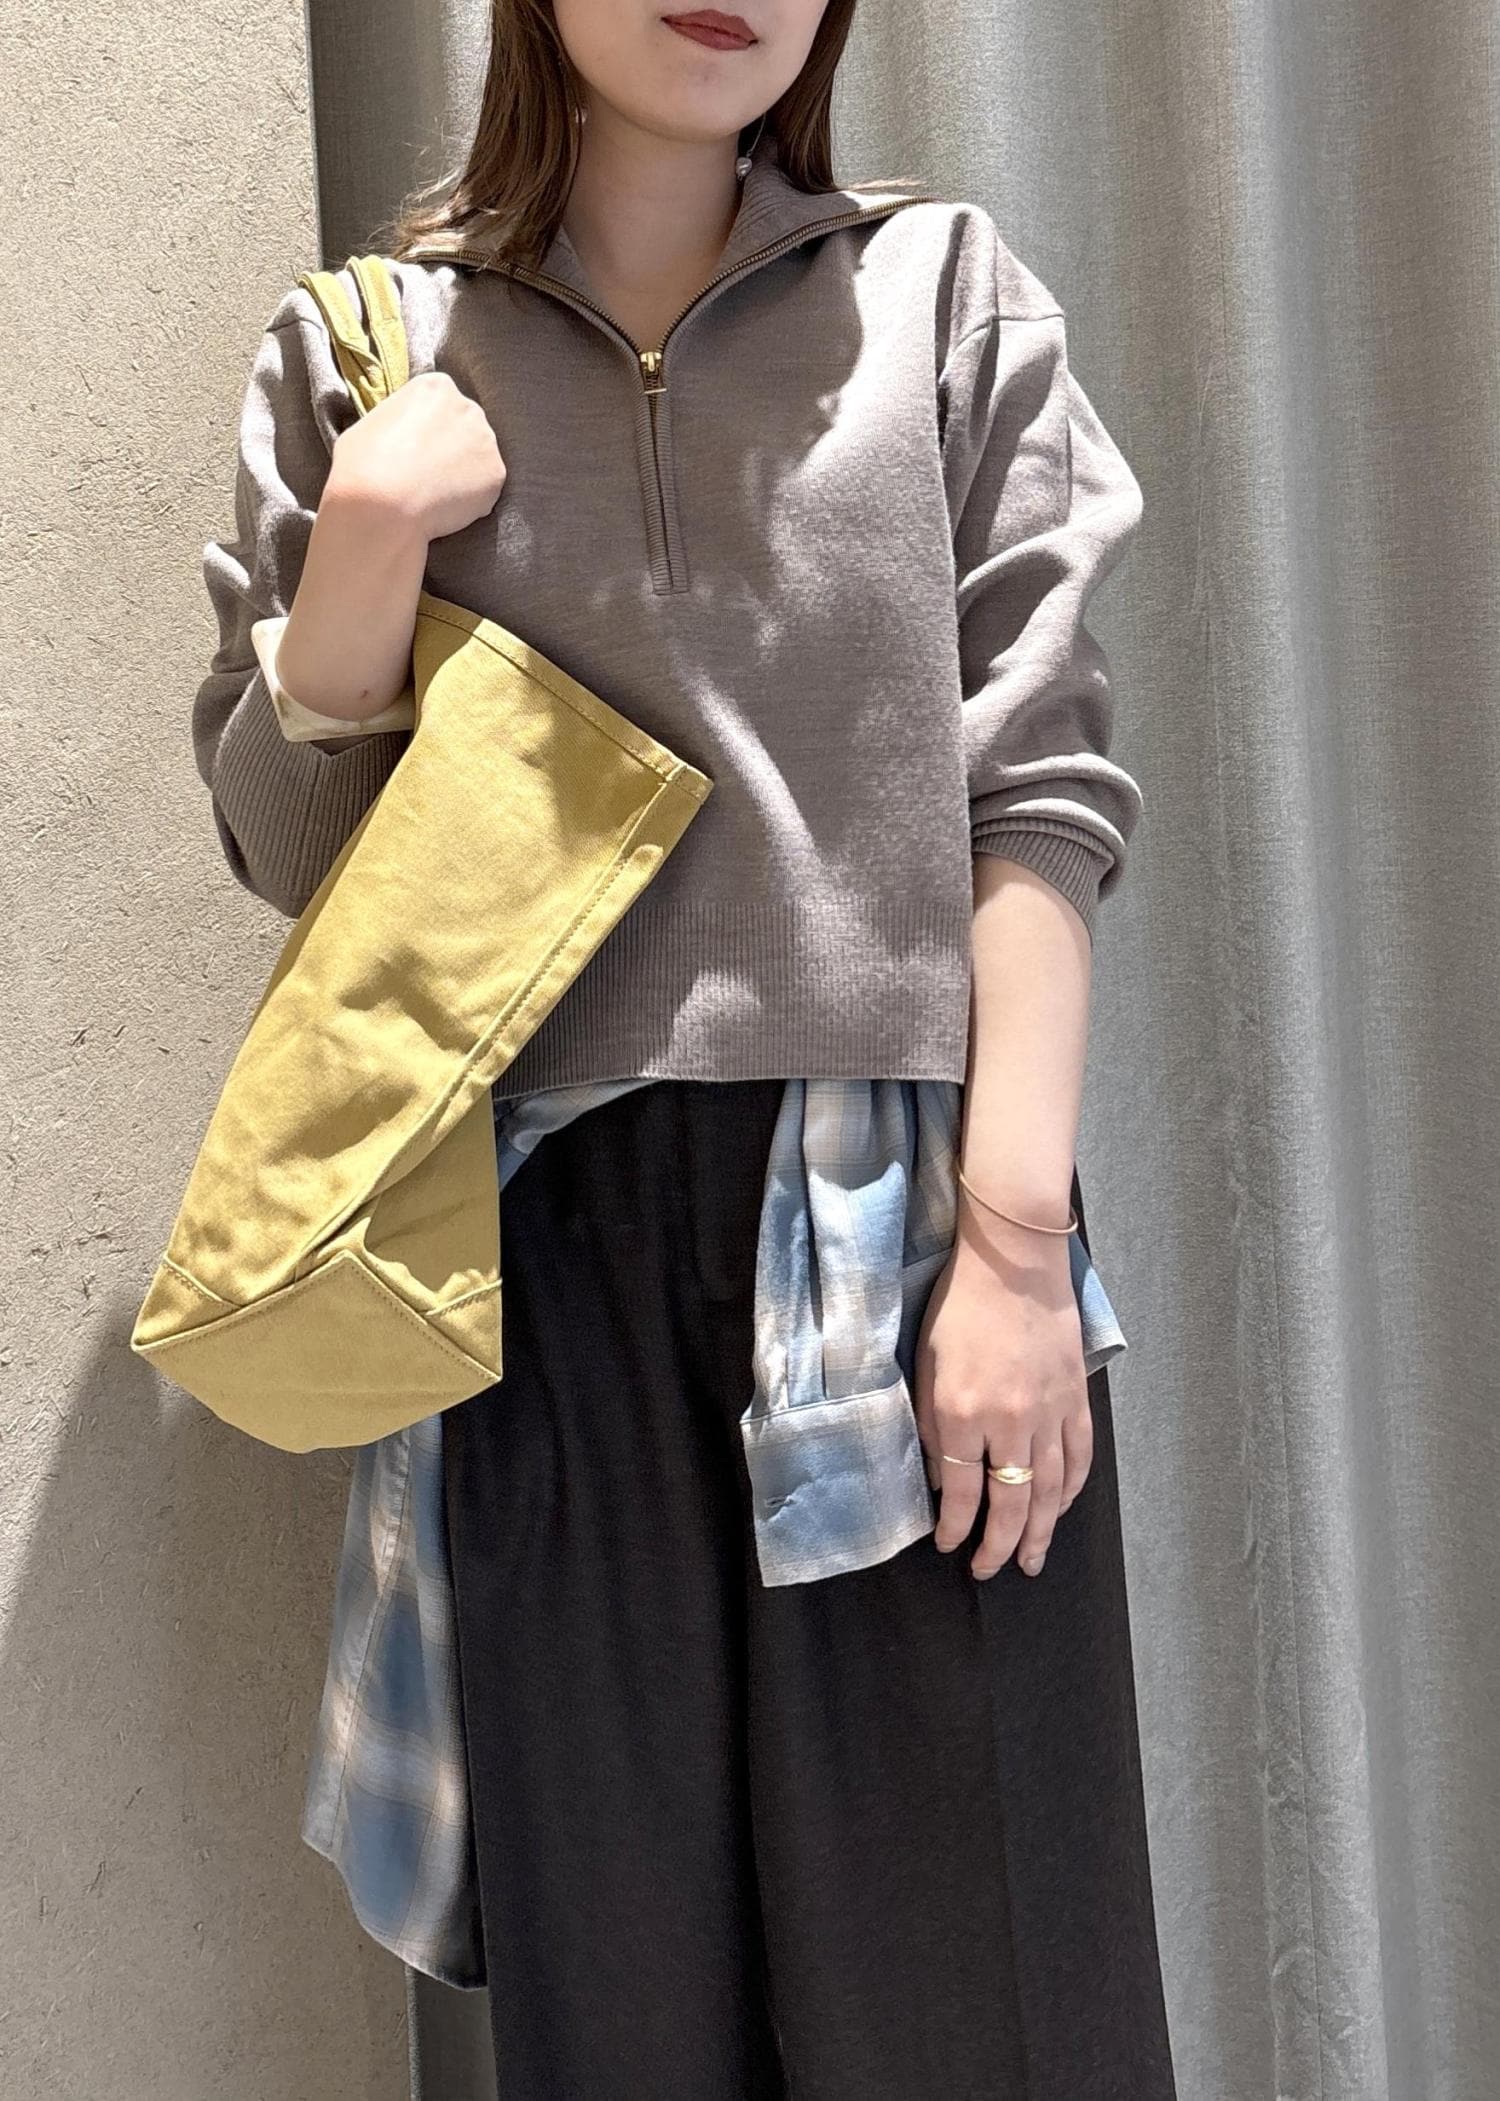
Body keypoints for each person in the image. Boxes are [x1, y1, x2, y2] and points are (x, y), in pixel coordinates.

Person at [193, 3, 1176, 2094]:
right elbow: (289, 847)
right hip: (544, 1261)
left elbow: (1040, 794)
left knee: (984, 2006)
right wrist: (364, 544)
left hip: (903, 1240)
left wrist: (1013, 1246)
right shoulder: (367, 349)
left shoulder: (941, 299)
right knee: (626, 2008)